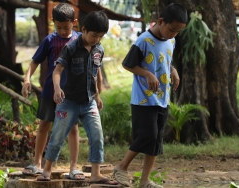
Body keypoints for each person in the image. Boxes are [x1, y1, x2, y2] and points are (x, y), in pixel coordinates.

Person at [36, 11, 118, 185]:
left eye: (100, 36)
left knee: (97, 136)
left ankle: (96, 173)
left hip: (89, 102)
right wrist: (57, 89)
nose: (96, 39)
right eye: (94, 35)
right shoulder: (71, 48)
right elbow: (57, 71)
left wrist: (98, 95)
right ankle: (46, 170)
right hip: (69, 102)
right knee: (57, 136)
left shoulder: (99, 50)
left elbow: (95, 74)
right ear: (83, 29)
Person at [113, 3, 188, 188]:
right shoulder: (143, 40)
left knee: (156, 140)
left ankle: (145, 180)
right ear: (160, 21)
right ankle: (121, 167)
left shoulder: (171, 40)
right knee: (147, 136)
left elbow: (165, 59)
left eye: (178, 32)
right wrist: (147, 74)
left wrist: (173, 70)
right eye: (171, 29)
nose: (174, 34)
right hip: (143, 100)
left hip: (162, 98)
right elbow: (127, 64)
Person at [21, 3, 92, 180]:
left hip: (72, 94)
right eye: (58, 27)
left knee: (73, 128)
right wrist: (27, 79)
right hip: (50, 91)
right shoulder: (50, 40)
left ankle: (74, 167)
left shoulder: (79, 40)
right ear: (53, 22)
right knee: (44, 125)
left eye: (65, 27)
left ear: (74, 23)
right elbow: (34, 62)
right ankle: (37, 163)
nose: (61, 30)